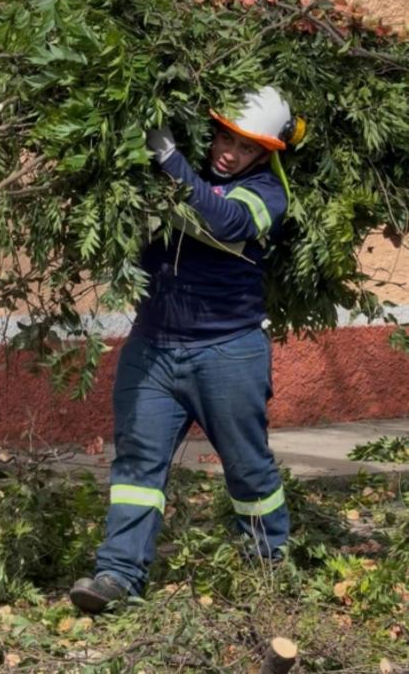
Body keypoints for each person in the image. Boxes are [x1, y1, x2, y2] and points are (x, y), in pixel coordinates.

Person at [70, 86, 305, 614]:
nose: (228, 152)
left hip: (228, 353)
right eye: (224, 137)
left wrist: (171, 159)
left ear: (262, 154)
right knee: (136, 467)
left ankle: (268, 570)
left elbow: (224, 222)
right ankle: (118, 577)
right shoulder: (182, 173)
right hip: (151, 348)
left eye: (244, 147)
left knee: (247, 469)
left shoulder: (266, 195)